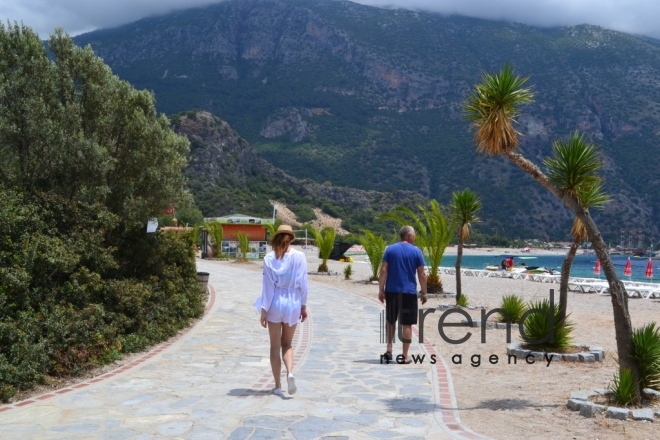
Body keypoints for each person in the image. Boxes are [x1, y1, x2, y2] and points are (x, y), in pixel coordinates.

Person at [254, 225, 308, 396]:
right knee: (287, 344)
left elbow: (267, 288)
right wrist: (303, 306)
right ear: (291, 238)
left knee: (274, 346)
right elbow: (303, 284)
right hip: (293, 302)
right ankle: (290, 373)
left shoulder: (269, 258)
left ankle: (277, 386)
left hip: (275, 302)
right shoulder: (299, 257)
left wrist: (264, 310)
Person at [378, 225, 428, 364]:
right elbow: (422, 275)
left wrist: (381, 290)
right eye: (414, 235)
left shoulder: (390, 249)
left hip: (392, 291)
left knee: (390, 320)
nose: (415, 237)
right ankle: (405, 356)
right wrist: (424, 292)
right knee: (407, 324)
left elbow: (383, 271)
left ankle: (389, 349)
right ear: (410, 236)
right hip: (408, 292)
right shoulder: (416, 251)